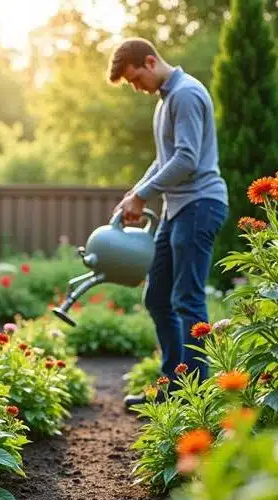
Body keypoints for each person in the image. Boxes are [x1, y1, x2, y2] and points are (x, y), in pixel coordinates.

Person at [107, 38, 229, 408]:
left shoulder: (186, 94)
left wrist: (144, 195)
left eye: (135, 79)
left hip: (200, 205)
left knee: (187, 298)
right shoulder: (164, 101)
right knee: (157, 296)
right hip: (177, 209)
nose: (136, 88)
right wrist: (135, 192)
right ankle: (173, 386)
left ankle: (195, 398)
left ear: (149, 61)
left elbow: (187, 160)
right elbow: (165, 160)